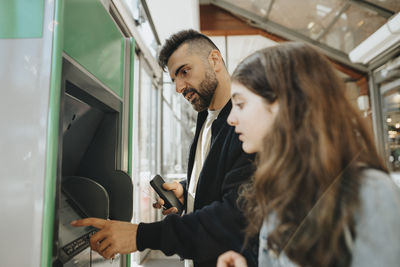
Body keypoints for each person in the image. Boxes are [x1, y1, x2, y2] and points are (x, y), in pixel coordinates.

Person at [71, 29, 258, 267]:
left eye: (184, 72)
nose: (179, 87)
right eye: (174, 80)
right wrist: (187, 191)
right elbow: (224, 177)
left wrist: (140, 236)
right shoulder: (206, 118)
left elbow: (234, 218)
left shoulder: (245, 125)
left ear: (214, 60)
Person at [217, 42, 400, 267]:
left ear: (286, 104)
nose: (230, 119)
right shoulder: (282, 188)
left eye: (241, 104)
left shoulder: (370, 193)